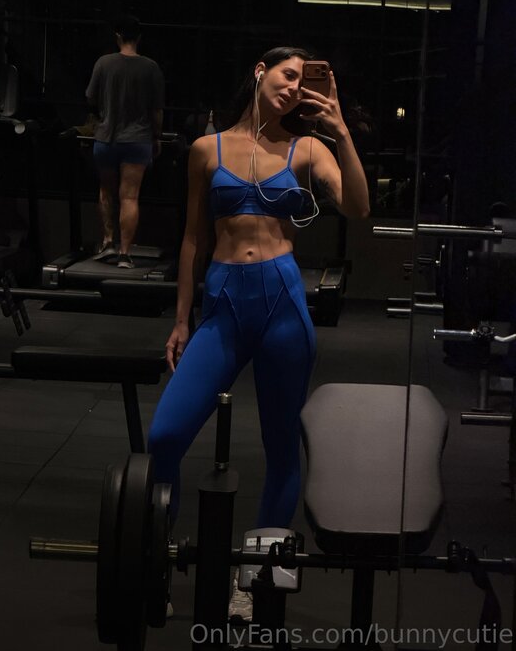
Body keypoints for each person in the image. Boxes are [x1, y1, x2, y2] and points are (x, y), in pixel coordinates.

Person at [146, 45, 370, 619]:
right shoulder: (208, 149)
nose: (294, 87)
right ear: (260, 72)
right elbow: (193, 238)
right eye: (287, 75)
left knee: (281, 449)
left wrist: (341, 130)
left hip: (281, 306)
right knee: (165, 437)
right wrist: (181, 318)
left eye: (302, 82)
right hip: (223, 305)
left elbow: (357, 208)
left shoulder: (308, 149)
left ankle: (254, 582)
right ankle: (154, 562)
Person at [85, 16, 165, 269]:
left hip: (106, 137)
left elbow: (91, 97)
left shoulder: (104, 63)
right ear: (139, 37)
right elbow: (157, 110)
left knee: (106, 190)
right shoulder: (151, 67)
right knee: (130, 197)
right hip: (138, 138)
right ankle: (124, 254)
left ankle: (108, 240)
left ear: (117, 36)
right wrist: (157, 136)